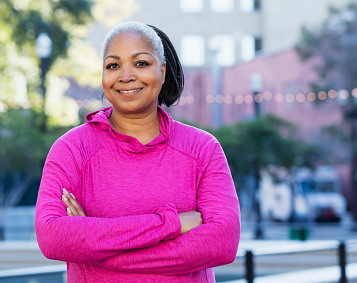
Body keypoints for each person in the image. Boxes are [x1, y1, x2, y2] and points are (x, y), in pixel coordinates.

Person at [35, 21, 240, 282]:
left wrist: (97, 248)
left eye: (141, 63)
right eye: (113, 65)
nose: (126, 76)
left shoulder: (202, 149)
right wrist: (172, 224)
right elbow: (52, 236)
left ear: (163, 71)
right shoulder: (72, 150)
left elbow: (222, 242)